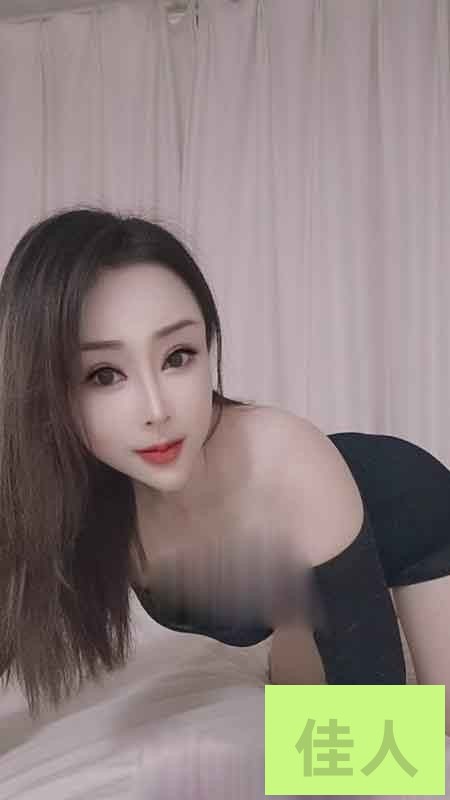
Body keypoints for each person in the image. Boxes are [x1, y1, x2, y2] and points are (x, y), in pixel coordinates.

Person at [1, 209, 449, 738]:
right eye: (103, 375)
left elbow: (371, 717)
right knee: (295, 729)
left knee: (411, 737)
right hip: (296, 582)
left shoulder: (286, 458)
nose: (156, 410)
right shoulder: (62, 492)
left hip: (413, 526)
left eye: (178, 356)